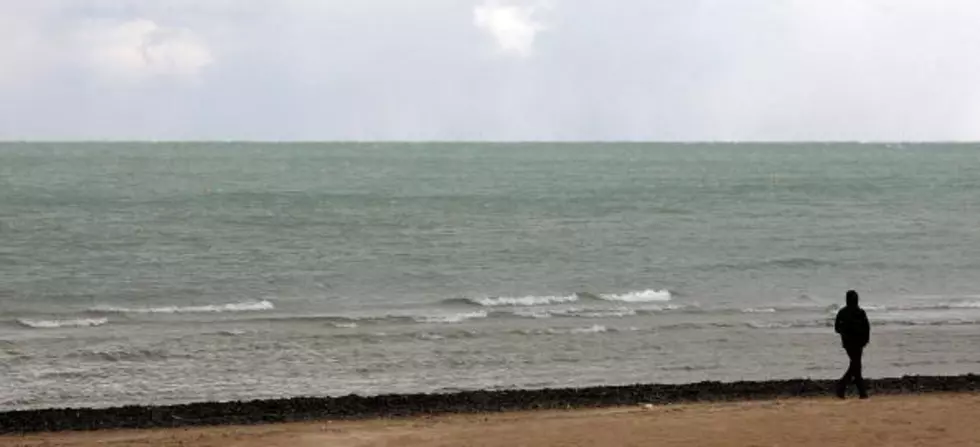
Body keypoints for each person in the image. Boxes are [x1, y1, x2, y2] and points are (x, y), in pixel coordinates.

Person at [835, 290, 871, 399]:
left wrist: (865, 340)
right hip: (853, 343)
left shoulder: (856, 312)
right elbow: (837, 328)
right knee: (856, 365)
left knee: (855, 365)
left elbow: (866, 327)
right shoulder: (853, 312)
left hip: (855, 343)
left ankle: (857, 391)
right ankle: (846, 387)